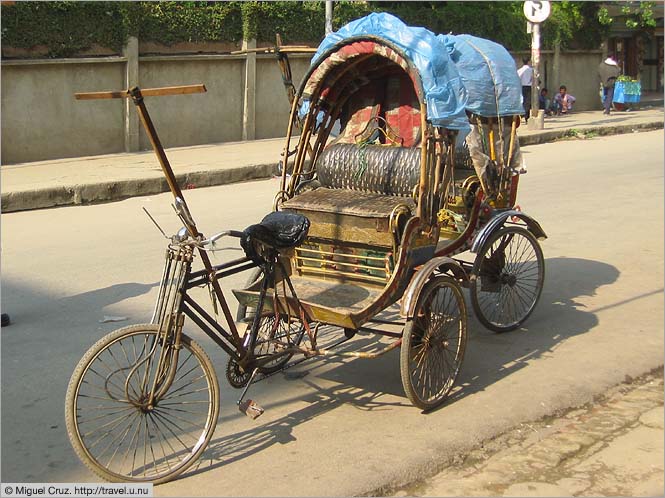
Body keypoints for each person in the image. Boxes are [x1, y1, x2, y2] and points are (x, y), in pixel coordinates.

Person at [517, 57, 533, 122]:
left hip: (522, 86)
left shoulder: (520, 70)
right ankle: (527, 117)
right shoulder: (531, 70)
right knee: (528, 102)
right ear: (528, 62)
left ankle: (521, 115)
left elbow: (517, 77)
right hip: (529, 86)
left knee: (522, 101)